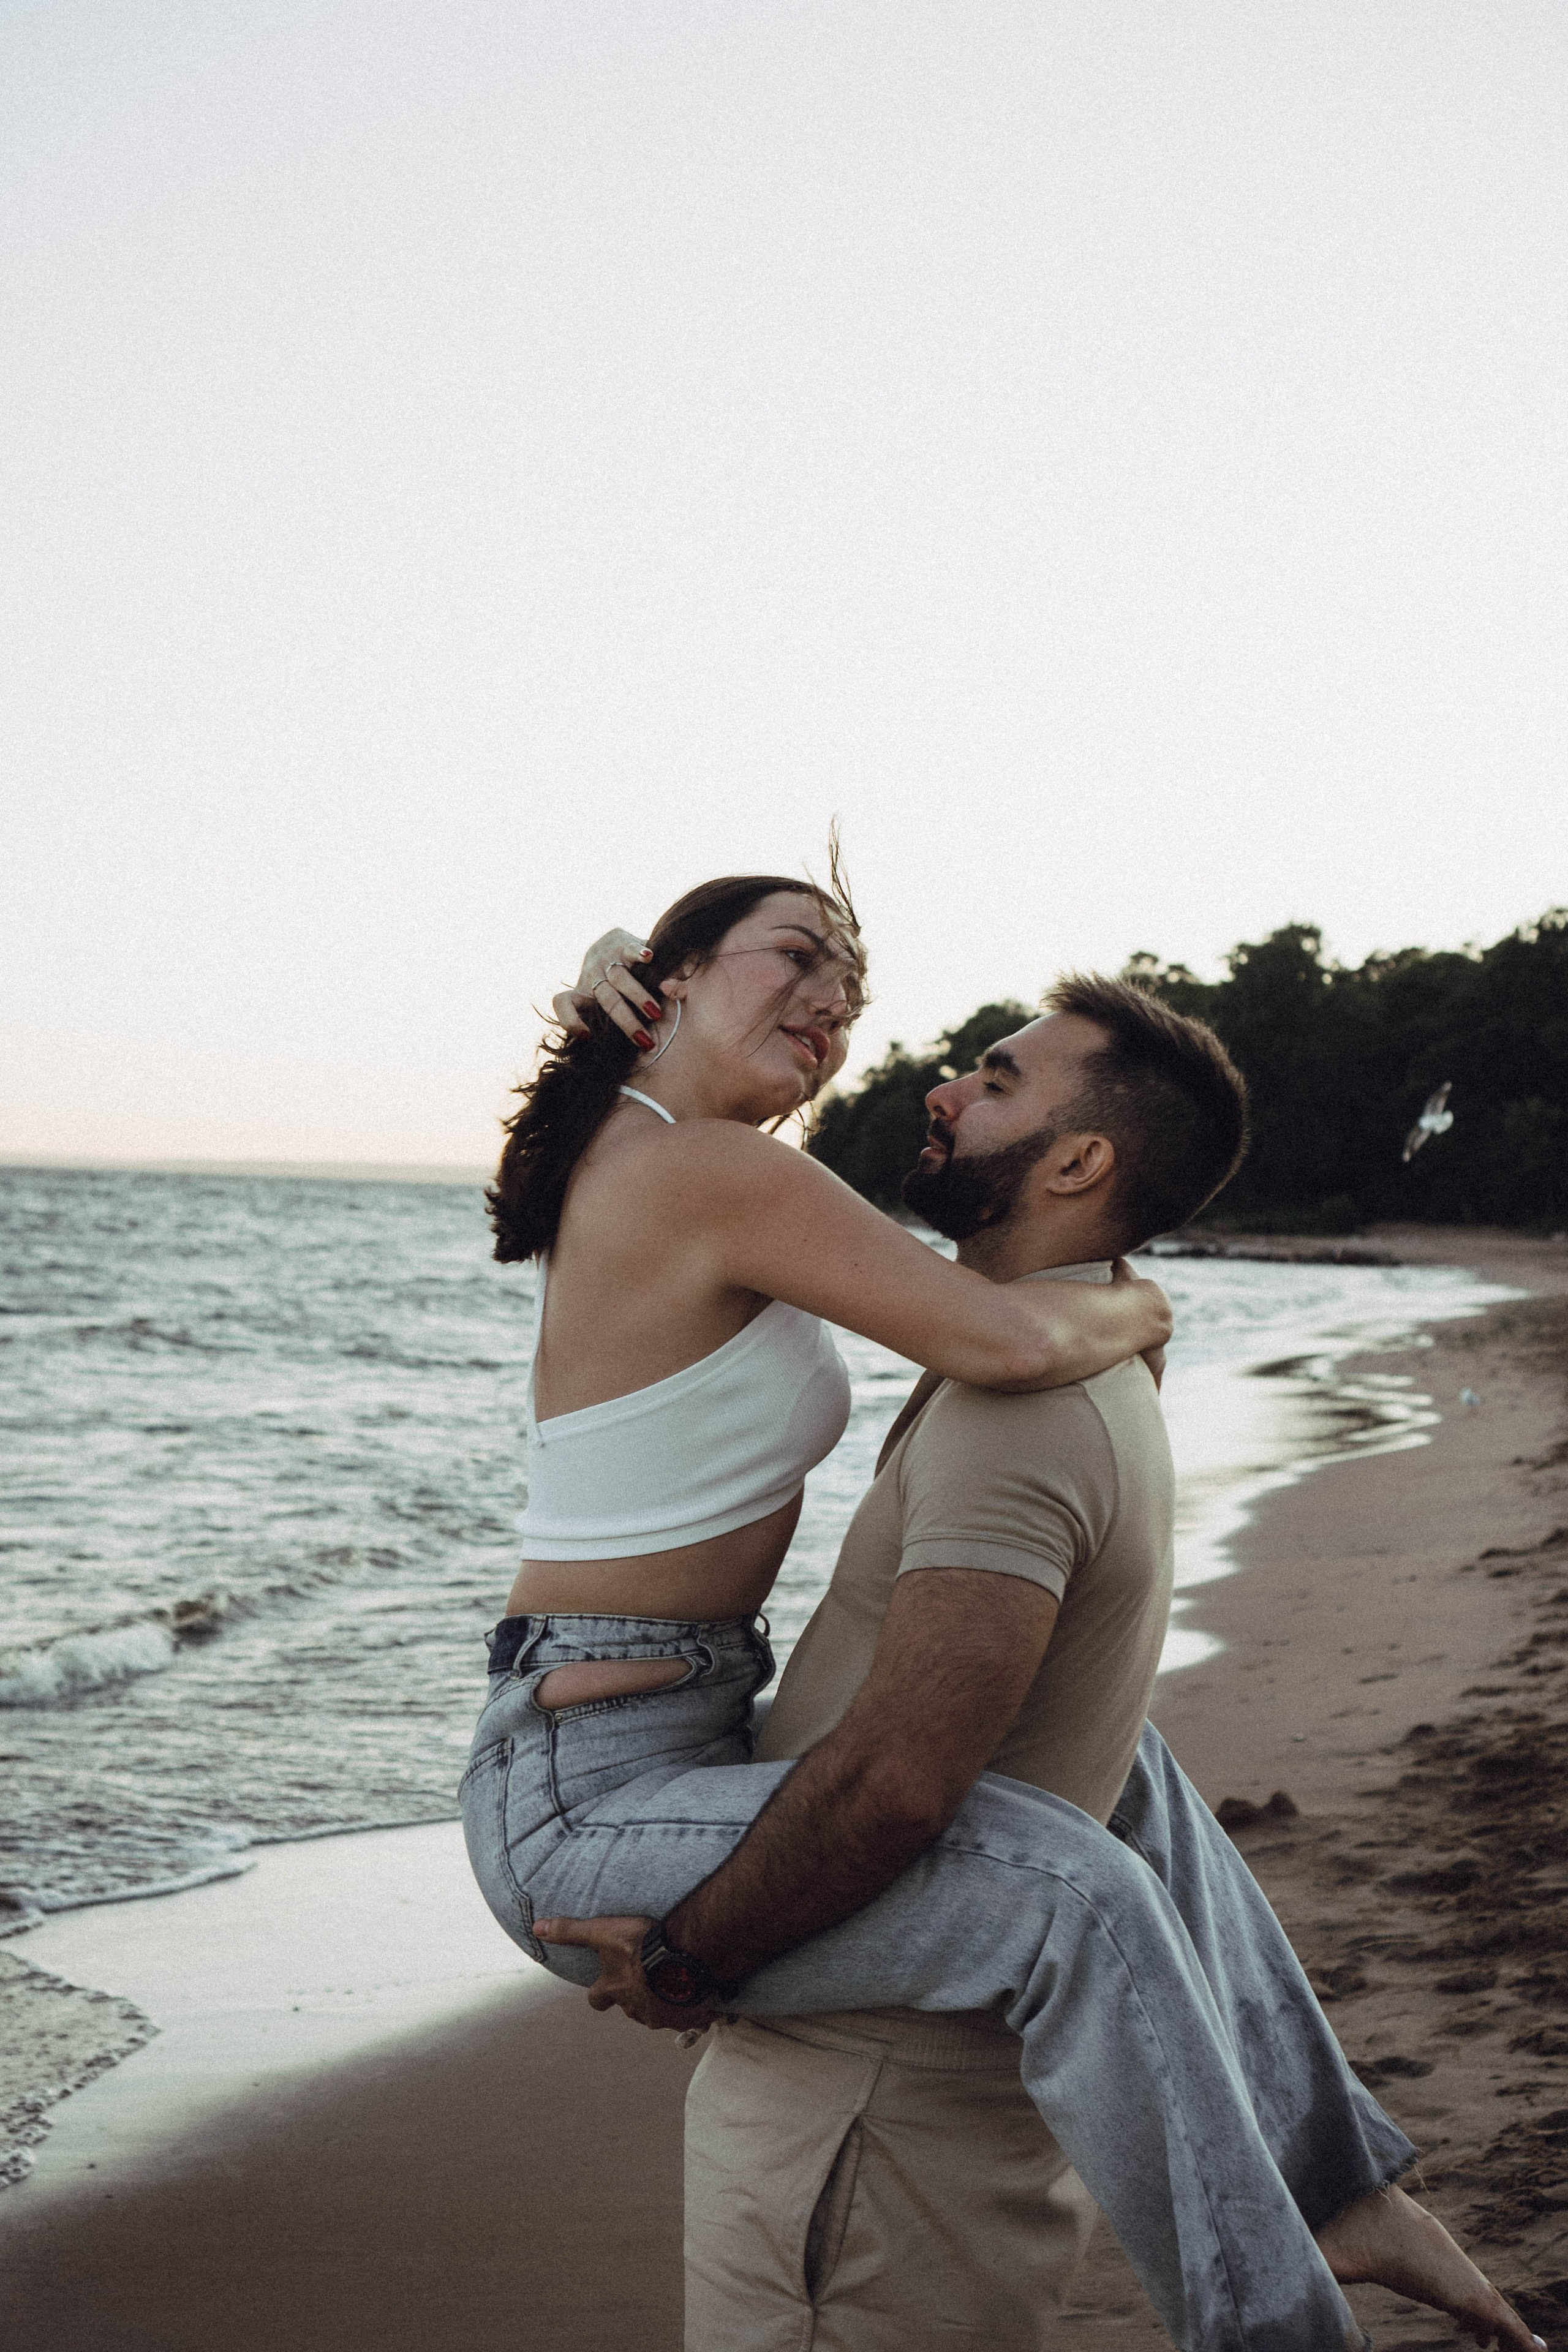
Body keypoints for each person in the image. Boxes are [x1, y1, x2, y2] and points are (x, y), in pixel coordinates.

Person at [461, 873, 1532, 2352]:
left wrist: (643, 997)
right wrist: (1144, 1310)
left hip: (677, 1721)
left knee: (1113, 1771)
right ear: (677, 976)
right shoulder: (697, 1165)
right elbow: (1002, 1333)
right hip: (580, 1790)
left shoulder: (690, 1157)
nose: (840, 998)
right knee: (1070, 1883)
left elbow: (1000, 1331)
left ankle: (1328, 2183)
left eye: (852, 977)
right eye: (800, 955)